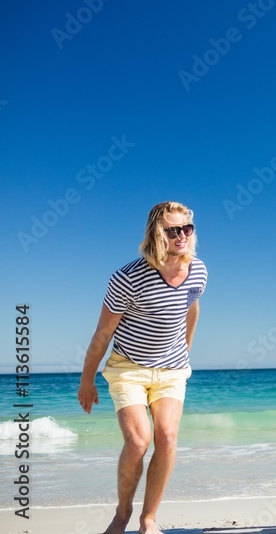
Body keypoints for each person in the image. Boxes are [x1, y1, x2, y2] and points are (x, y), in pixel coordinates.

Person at [77, 201, 208, 534]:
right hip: (127, 368)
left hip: (172, 369)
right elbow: (103, 333)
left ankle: (148, 520)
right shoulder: (128, 278)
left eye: (187, 229)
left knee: (166, 436)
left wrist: (187, 345)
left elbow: (191, 306)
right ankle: (122, 513)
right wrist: (86, 381)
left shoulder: (198, 271)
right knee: (138, 441)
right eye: (173, 230)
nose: (182, 235)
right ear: (157, 234)